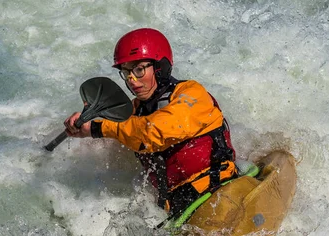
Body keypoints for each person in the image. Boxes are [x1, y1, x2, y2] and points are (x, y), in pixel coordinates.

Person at [64, 28, 237, 217]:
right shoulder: (135, 111)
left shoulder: (191, 94)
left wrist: (98, 127)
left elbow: (151, 132)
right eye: (126, 72)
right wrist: (83, 129)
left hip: (219, 191)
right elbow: (122, 132)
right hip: (177, 209)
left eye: (139, 69)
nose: (131, 79)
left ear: (159, 67)